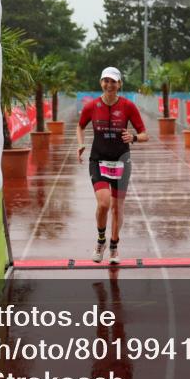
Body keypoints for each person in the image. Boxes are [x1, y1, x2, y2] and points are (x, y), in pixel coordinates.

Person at [77, 67, 148, 264]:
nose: (109, 85)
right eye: (106, 81)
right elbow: (80, 126)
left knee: (117, 207)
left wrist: (133, 137)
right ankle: (101, 241)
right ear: (101, 83)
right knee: (103, 203)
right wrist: (81, 143)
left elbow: (145, 134)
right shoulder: (92, 106)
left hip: (121, 161)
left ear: (119, 84)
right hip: (98, 160)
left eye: (113, 82)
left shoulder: (128, 106)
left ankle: (114, 246)